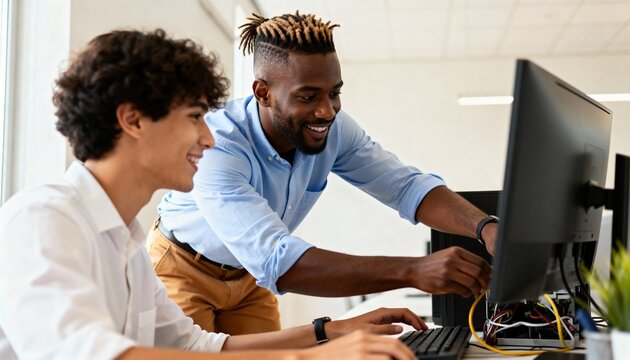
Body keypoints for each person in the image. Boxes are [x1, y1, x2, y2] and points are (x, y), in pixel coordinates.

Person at [0, 28, 425, 360]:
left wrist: (329, 332)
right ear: (133, 120)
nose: (208, 137)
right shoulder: (45, 219)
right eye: (194, 117)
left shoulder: (126, 244)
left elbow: (196, 347)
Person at [149, 11, 496, 335]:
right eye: (308, 96)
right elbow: (279, 261)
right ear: (263, 92)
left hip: (248, 277)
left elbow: (405, 186)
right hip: (184, 268)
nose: (326, 111)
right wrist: (414, 271)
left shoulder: (333, 128)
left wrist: (485, 227)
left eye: (334, 93)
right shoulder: (219, 146)